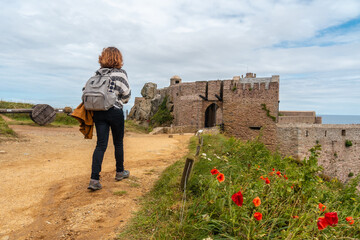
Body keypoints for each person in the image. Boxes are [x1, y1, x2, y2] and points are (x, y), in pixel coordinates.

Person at [87, 47, 131, 191]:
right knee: (118, 143)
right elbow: (126, 96)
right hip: (115, 111)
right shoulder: (121, 74)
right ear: (118, 58)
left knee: (100, 145)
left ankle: (94, 179)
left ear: (103, 57)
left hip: (99, 112)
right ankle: (120, 172)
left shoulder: (97, 73)